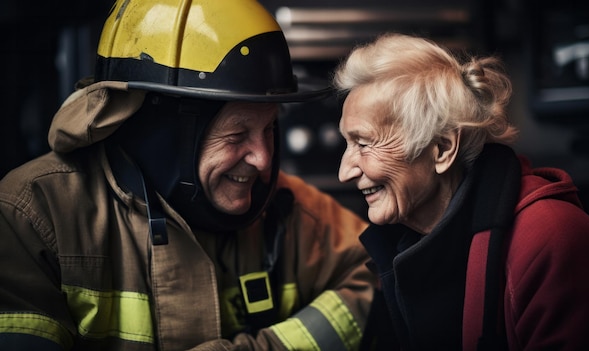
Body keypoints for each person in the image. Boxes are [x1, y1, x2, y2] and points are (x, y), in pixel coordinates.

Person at [0, 1, 375, 350]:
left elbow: (374, 275)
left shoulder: (288, 208)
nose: (263, 160)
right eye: (237, 134)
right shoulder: (33, 216)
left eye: (268, 129)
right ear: (158, 133)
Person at [332, 33, 589, 350]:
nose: (345, 171)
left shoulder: (556, 243)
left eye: (363, 144)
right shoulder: (405, 241)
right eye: (348, 144)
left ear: (443, 148)